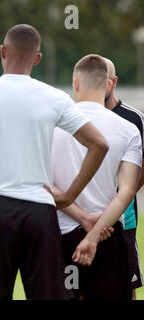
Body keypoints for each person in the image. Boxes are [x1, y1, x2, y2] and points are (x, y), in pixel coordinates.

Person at [0, 24, 109, 300]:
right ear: (38, 58)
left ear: (2, 52)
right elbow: (99, 144)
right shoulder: (55, 97)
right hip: (40, 211)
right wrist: (69, 195)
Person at [52, 54, 141, 299]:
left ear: (75, 83)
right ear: (108, 85)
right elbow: (127, 191)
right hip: (108, 233)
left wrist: (82, 219)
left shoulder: (52, 124)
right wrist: (94, 234)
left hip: (60, 234)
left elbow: (42, 183)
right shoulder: (127, 129)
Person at [104, 57, 144, 299]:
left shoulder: (133, 119)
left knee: (127, 287)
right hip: (85, 220)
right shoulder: (79, 115)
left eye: (104, 81)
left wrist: (122, 199)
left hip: (124, 221)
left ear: (113, 82)